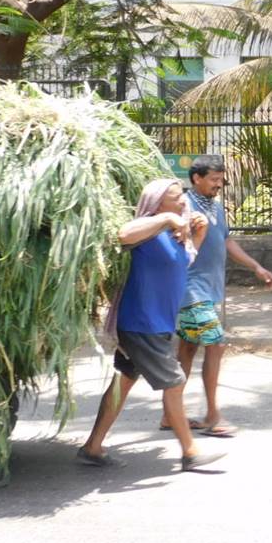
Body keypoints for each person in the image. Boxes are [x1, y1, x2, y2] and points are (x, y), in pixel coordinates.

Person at [78, 179, 225, 472]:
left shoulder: (172, 234)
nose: (184, 202)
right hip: (142, 323)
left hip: (156, 324)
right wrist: (166, 218)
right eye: (176, 198)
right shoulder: (146, 229)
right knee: (175, 382)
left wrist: (199, 233)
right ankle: (190, 452)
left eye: (183, 197)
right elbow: (123, 234)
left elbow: (182, 264)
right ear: (157, 203)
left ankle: (93, 446)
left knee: (124, 379)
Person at [158, 154, 272, 438]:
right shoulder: (182, 205)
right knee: (217, 342)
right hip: (189, 288)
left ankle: (167, 415)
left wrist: (255, 267)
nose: (219, 184)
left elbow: (226, 240)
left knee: (188, 348)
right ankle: (212, 415)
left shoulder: (215, 207)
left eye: (221, 179)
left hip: (209, 288)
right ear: (196, 178)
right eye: (213, 179)